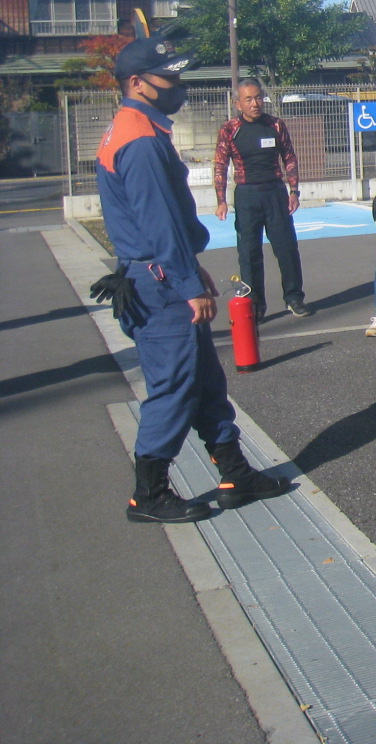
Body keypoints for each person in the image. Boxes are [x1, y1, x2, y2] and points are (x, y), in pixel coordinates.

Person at [95, 35, 290, 523]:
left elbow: (166, 225)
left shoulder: (138, 127)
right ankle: (150, 493)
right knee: (174, 387)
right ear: (137, 83)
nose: (177, 87)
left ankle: (234, 474)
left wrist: (191, 268)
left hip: (163, 272)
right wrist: (186, 283)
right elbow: (157, 222)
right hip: (158, 284)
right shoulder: (137, 140)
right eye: (169, 79)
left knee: (205, 382)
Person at [212, 79, 310, 319]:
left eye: (258, 98)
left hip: (275, 193)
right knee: (249, 252)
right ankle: (255, 304)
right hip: (247, 195)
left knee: (286, 249)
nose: (255, 104)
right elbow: (220, 164)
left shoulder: (275, 125)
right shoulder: (230, 129)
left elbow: (289, 157)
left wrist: (294, 191)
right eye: (248, 99)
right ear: (238, 104)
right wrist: (221, 199)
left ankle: (294, 297)